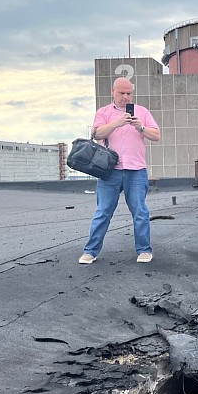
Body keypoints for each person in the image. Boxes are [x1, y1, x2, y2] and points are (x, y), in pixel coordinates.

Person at [79, 77, 161, 264]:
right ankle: (90, 251)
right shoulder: (104, 112)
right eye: (121, 93)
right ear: (113, 92)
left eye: (129, 93)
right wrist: (118, 122)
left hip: (136, 170)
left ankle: (144, 250)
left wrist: (139, 126)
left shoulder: (141, 112)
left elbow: (156, 135)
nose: (125, 97)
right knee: (103, 212)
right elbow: (96, 133)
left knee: (140, 211)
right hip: (110, 171)